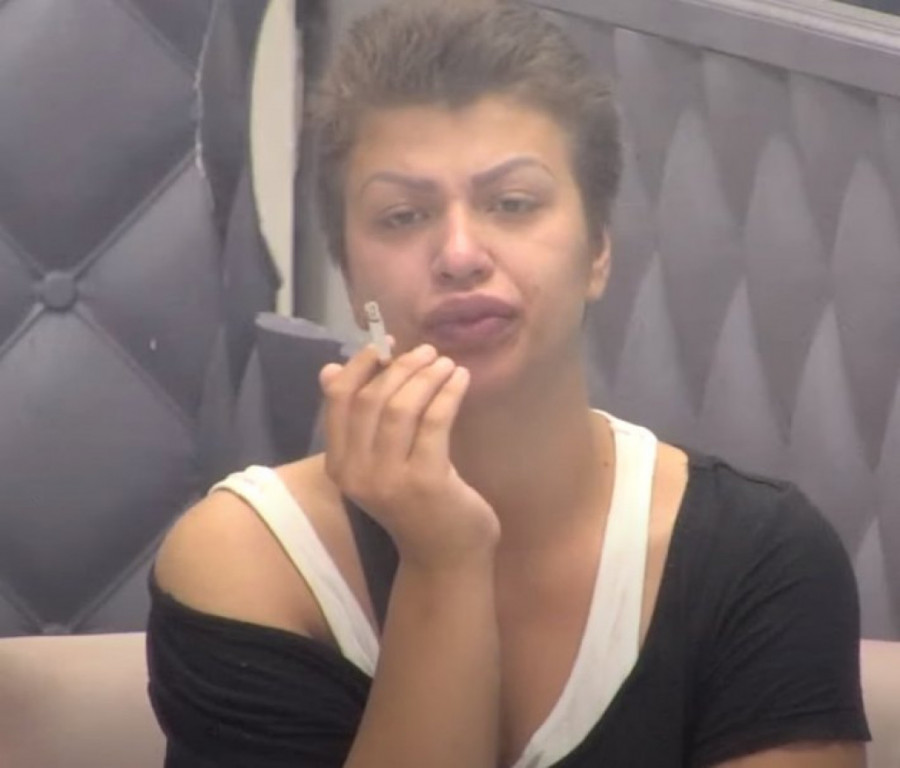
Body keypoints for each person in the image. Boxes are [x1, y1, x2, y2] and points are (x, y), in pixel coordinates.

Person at [145, 2, 870, 766]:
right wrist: (444, 563)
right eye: (402, 216)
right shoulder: (249, 560)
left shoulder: (759, 558)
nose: (460, 254)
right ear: (351, 277)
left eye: (513, 204)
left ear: (597, 250)